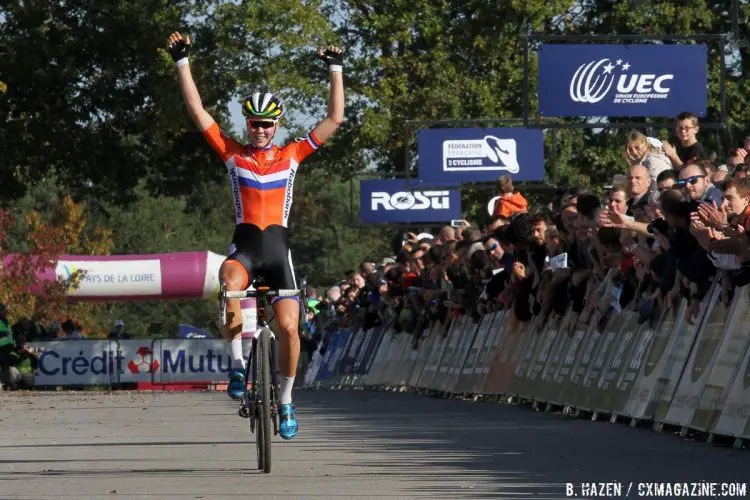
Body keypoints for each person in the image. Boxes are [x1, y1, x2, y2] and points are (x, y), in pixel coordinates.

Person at [167, 32, 344, 440]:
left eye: (267, 124)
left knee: (288, 329)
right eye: (254, 123)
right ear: (246, 123)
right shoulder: (233, 152)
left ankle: (285, 401)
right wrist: (182, 61)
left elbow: (334, 119)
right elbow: (197, 111)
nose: (260, 130)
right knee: (229, 284)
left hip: (279, 253)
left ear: (277, 125)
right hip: (245, 249)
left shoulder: (292, 153)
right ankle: (235, 364)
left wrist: (335, 69)